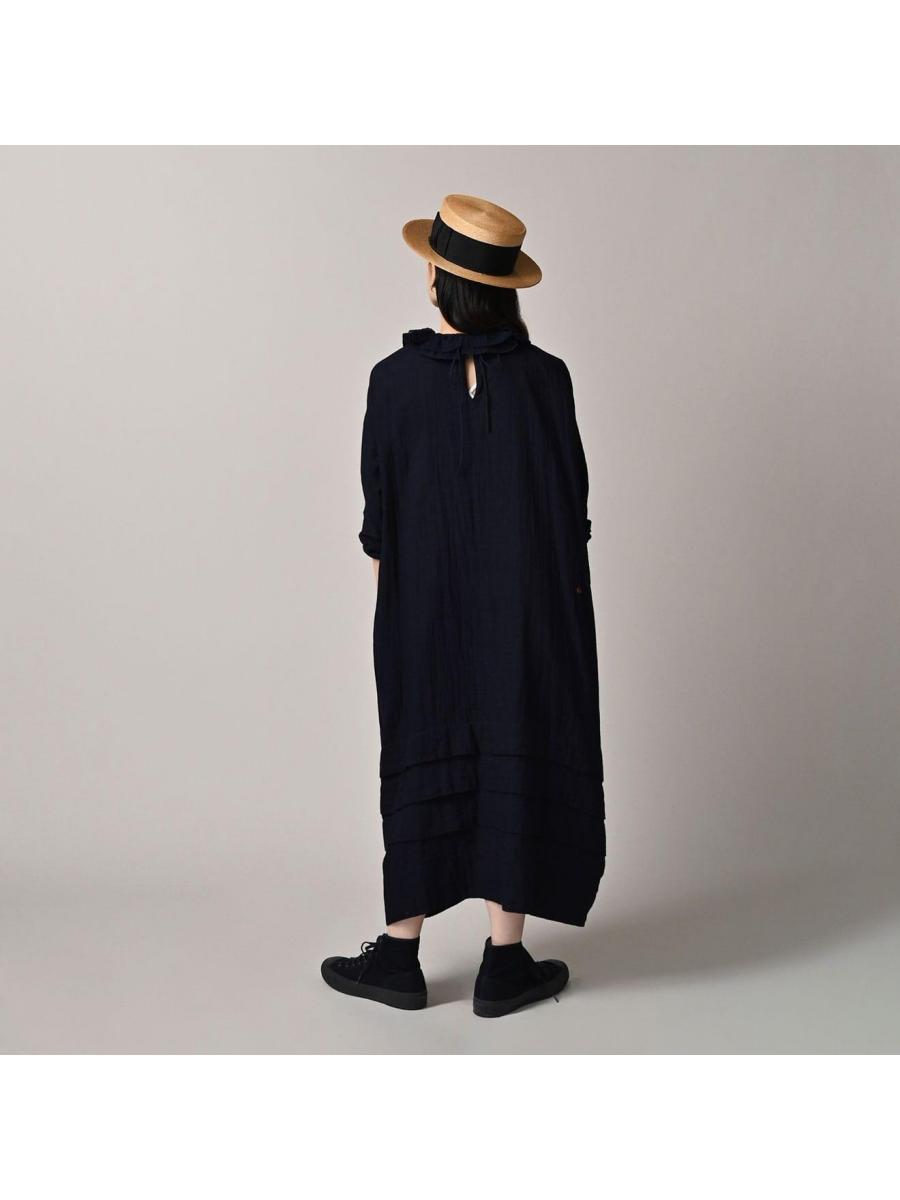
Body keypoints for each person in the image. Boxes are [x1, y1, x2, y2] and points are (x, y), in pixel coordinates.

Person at [321, 194, 605, 1018]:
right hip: (527, 621)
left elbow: (380, 526)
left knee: (424, 747)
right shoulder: (547, 381)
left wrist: (411, 606)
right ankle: (504, 961)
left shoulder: (393, 383)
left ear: (437, 282)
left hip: (423, 617)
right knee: (518, 743)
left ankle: (399, 956)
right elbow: (572, 511)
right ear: (505, 290)